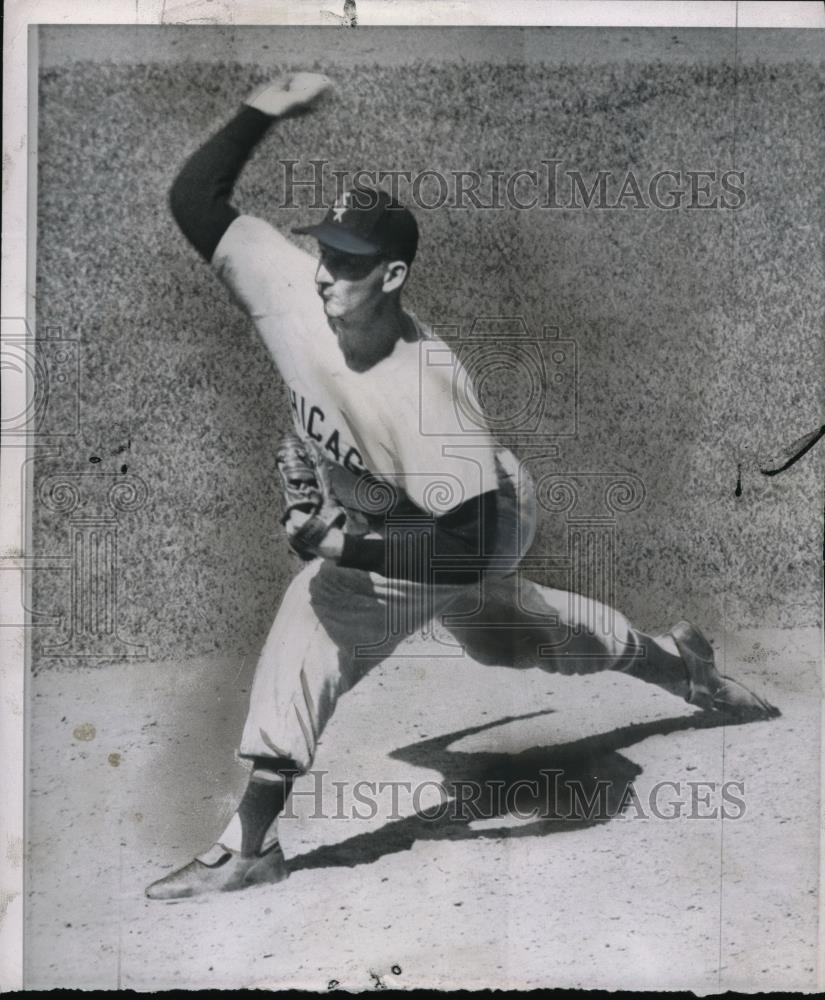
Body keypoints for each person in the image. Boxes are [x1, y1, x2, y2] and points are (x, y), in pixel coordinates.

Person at [146, 73, 779, 900]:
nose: (326, 273)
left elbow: (466, 544)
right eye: (326, 251)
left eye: (352, 263)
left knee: (325, 607)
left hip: (479, 513)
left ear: (396, 275)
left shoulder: (428, 395)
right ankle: (678, 666)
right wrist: (260, 110)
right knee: (504, 635)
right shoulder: (289, 286)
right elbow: (196, 198)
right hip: (405, 508)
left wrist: (341, 541)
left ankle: (248, 846)